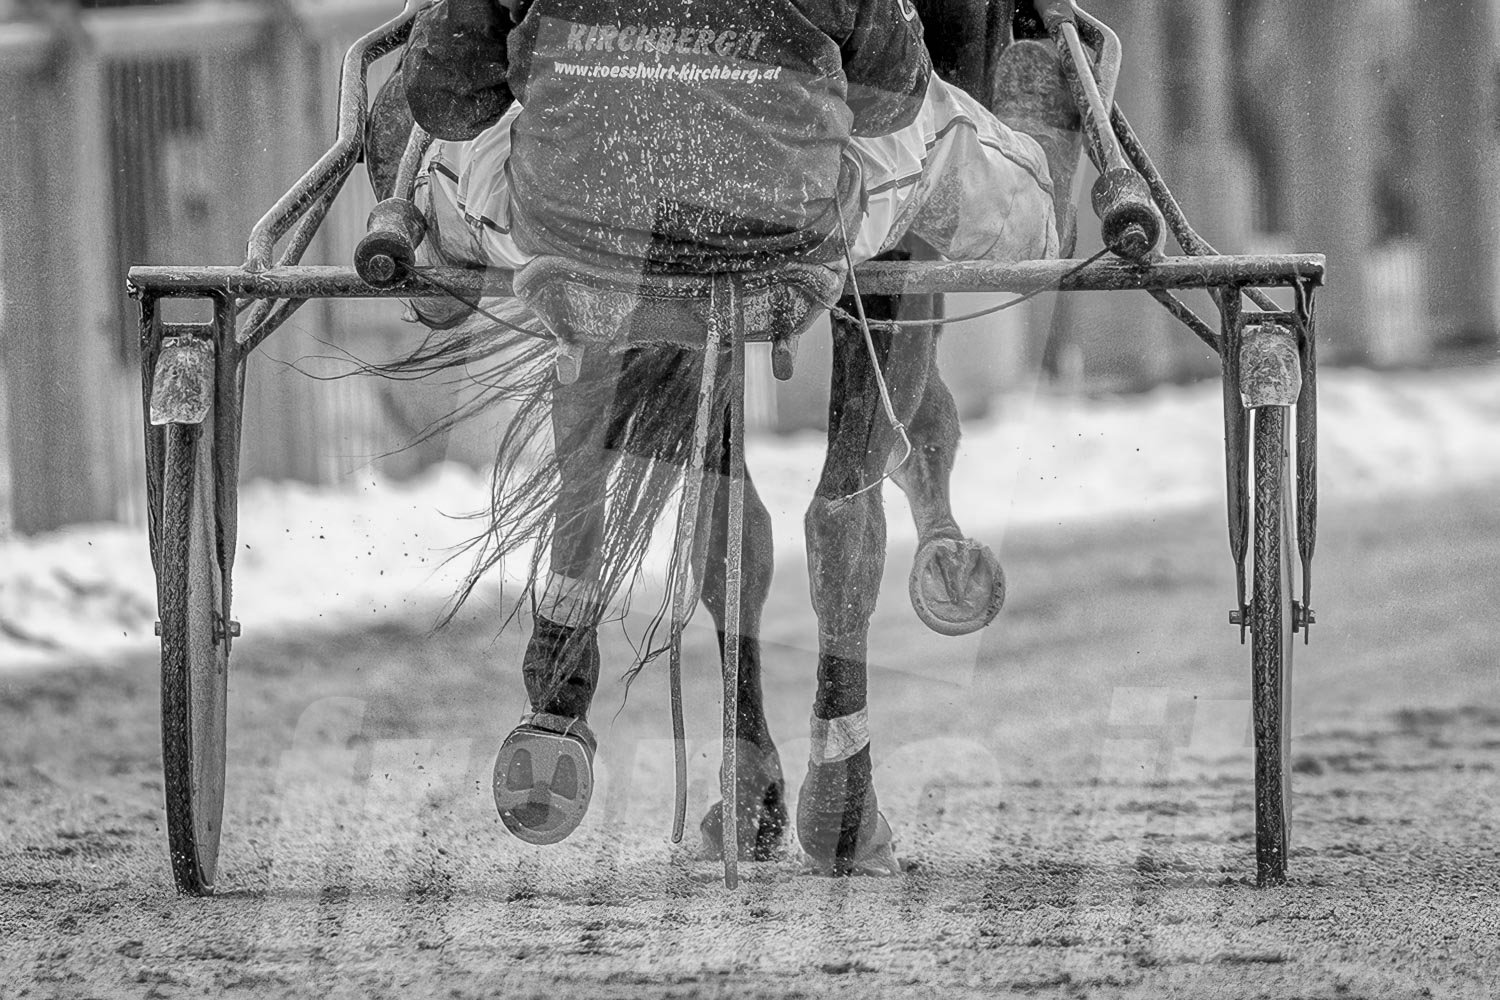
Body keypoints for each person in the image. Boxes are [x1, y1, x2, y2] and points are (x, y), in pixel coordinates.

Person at [401, 0, 1082, 289]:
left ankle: (427, 272)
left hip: (568, 238)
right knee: (938, 124)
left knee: (431, 151)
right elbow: (890, 98)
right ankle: (1038, 209)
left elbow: (446, 99)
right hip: (785, 240)